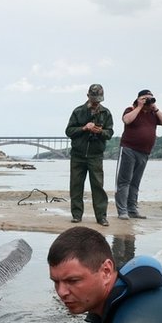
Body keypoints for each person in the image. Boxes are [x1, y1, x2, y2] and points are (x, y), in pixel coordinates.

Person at [114, 89, 162, 220]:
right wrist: (139, 106)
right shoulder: (131, 109)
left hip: (144, 152)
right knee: (124, 181)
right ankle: (122, 211)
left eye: (150, 98)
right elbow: (127, 120)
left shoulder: (153, 113)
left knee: (135, 182)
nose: (148, 101)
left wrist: (155, 108)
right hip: (129, 149)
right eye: (146, 98)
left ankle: (132, 210)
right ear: (138, 99)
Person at [65, 84, 114, 226]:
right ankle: (76, 215)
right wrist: (84, 128)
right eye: (94, 100)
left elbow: (109, 133)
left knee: (98, 186)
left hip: (95, 155)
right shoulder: (78, 111)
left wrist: (100, 131)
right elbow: (69, 131)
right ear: (88, 96)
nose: (96, 103)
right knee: (76, 186)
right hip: (78, 155)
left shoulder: (106, 113)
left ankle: (101, 217)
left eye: (98, 100)